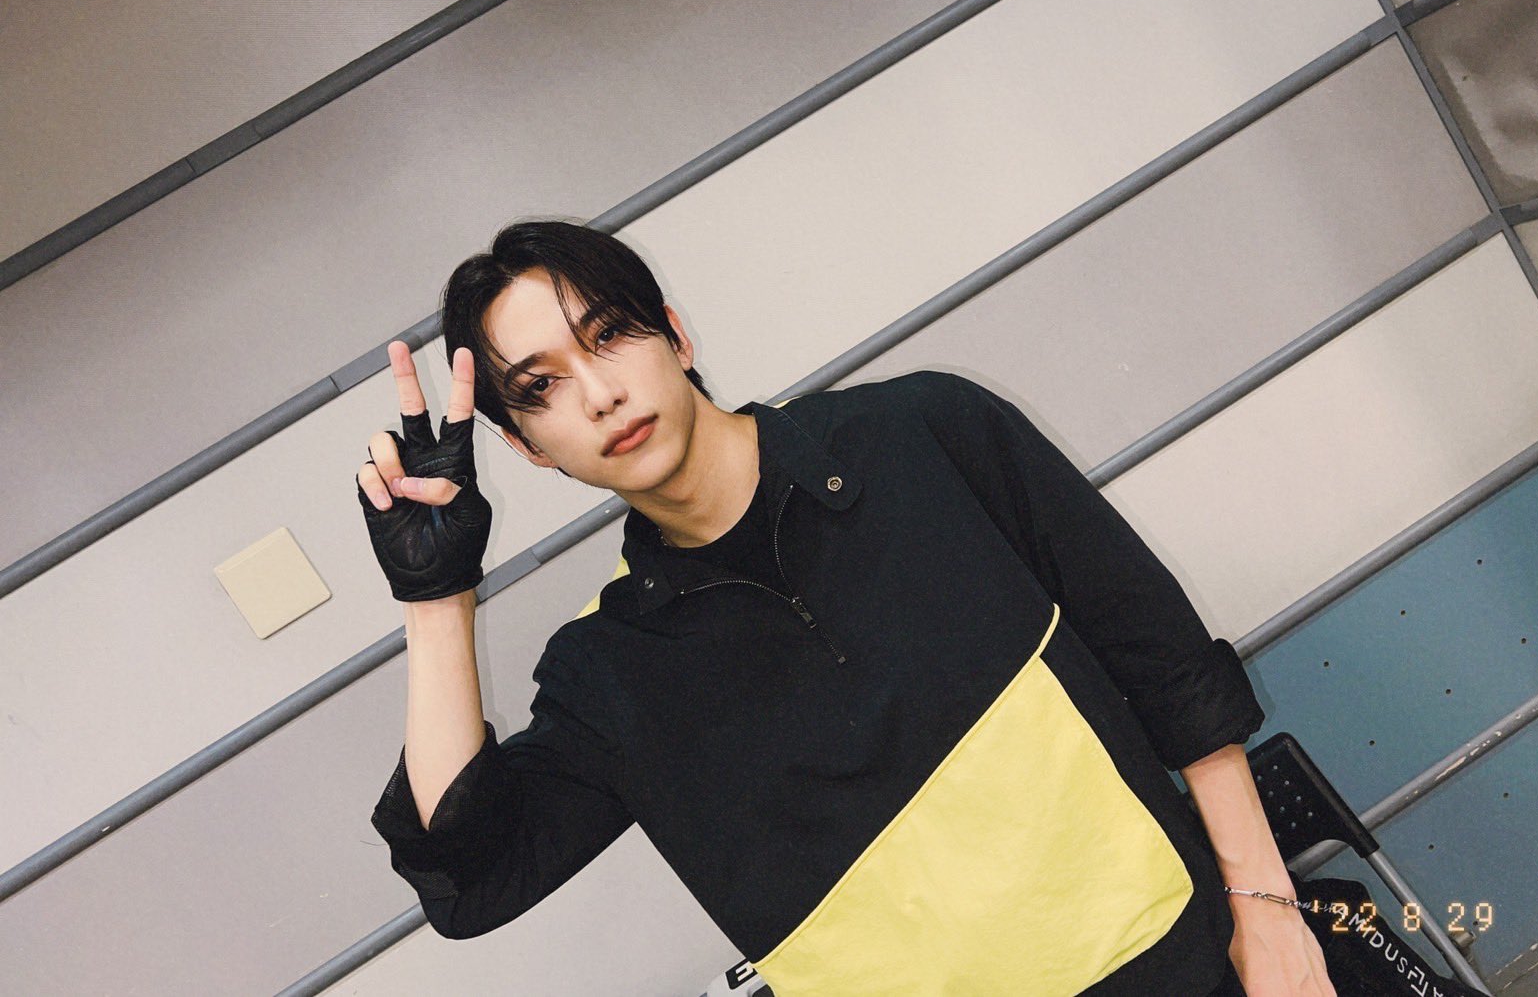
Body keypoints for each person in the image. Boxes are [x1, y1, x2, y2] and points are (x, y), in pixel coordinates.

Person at [357, 220, 1336, 995]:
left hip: (1193, 964)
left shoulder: (922, 433)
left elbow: (1162, 659)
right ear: (528, 448)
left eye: (609, 334)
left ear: (677, 334)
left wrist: (1265, 907)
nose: (599, 394)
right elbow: (471, 874)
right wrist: (437, 601)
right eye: (541, 388)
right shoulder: (609, 672)